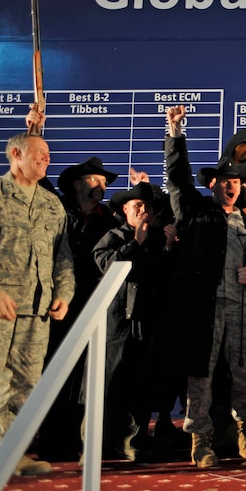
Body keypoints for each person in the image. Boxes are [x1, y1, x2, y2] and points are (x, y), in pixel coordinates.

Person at [164, 105, 246, 468]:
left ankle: (245, 432)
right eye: (225, 181)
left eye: (236, 182)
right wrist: (176, 134)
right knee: (201, 375)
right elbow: (178, 179)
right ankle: (200, 440)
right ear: (213, 185)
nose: (231, 186)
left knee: (245, 373)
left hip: (241, 311)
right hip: (204, 309)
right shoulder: (195, 212)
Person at [0, 107, 75, 476]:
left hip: (36, 312)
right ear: (16, 154)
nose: (47, 158)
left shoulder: (52, 204)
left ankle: (10, 453)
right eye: (40, 152)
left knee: (25, 387)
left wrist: (63, 293)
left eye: (49, 154)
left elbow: (63, 256)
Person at [37, 156, 119, 461]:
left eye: (104, 182)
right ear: (76, 184)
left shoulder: (110, 220)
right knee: (53, 370)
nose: (101, 185)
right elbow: (40, 187)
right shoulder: (59, 212)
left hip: (94, 305)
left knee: (84, 376)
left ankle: (78, 439)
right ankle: (50, 440)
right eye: (95, 179)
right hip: (60, 305)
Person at [92, 181, 177, 462]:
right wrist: (135, 243)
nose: (143, 210)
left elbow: (165, 278)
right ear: (125, 210)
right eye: (137, 205)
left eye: (147, 206)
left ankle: (135, 439)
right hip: (118, 323)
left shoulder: (157, 238)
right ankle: (104, 441)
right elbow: (107, 266)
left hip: (148, 323)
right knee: (113, 384)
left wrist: (168, 247)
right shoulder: (113, 236)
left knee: (143, 385)